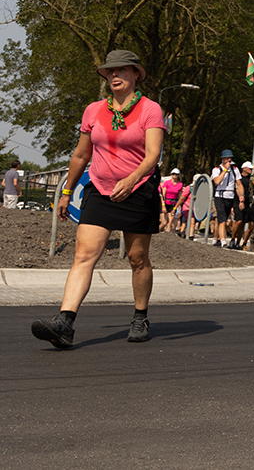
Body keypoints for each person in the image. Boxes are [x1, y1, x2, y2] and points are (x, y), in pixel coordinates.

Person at [31, 50, 165, 349]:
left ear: (135, 74)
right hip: (100, 190)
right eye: (109, 72)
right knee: (84, 255)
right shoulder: (93, 110)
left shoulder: (150, 109)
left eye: (120, 71)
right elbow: (81, 154)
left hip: (138, 191)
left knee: (137, 258)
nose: (114, 76)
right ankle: (64, 322)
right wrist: (67, 191)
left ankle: (140, 316)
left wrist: (130, 181)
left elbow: (153, 155)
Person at [210, 150, 243, 248]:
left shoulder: (235, 170)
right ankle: (223, 241)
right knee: (222, 220)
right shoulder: (216, 169)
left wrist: (241, 195)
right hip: (220, 196)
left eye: (230, 158)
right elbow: (217, 181)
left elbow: (239, 184)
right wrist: (225, 170)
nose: (229, 160)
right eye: (227, 158)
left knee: (222, 220)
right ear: (223, 159)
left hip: (230, 196)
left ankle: (215, 239)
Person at [159, 168, 184, 233]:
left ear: (178, 175)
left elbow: (180, 197)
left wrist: (178, 208)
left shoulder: (180, 185)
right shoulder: (167, 183)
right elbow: (162, 195)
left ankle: (166, 237)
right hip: (165, 202)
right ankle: (156, 233)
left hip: (173, 204)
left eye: (176, 174)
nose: (174, 175)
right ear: (171, 174)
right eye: (173, 174)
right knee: (163, 222)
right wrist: (163, 205)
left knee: (170, 222)